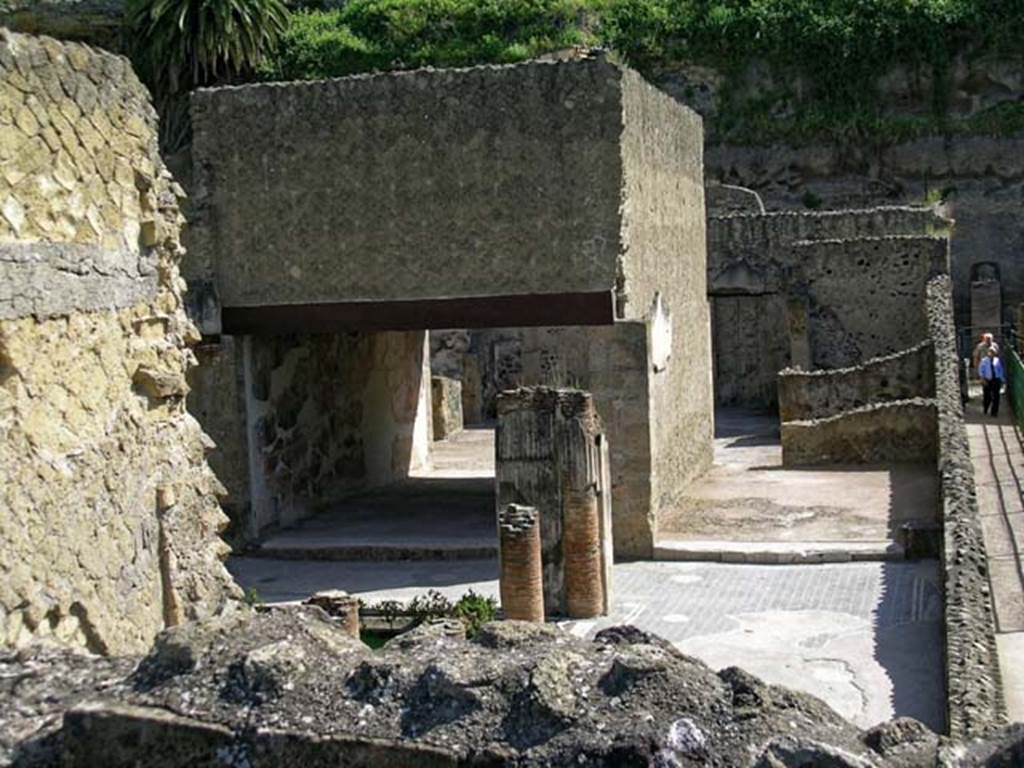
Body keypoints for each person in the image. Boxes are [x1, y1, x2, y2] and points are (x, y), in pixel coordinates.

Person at [979, 347, 1005, 417]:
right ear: (988, 353)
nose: (992, 354)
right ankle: (986, 407)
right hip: (987, 379)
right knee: (987, 396)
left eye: (993, 352)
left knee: (996, 396)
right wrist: (982, 379)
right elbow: (981, 370)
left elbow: (1000, 370)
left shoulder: (997, 360)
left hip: (996, 379)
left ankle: (994, 412)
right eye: (991, 352)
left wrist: (1002, 379)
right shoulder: (984, 360)